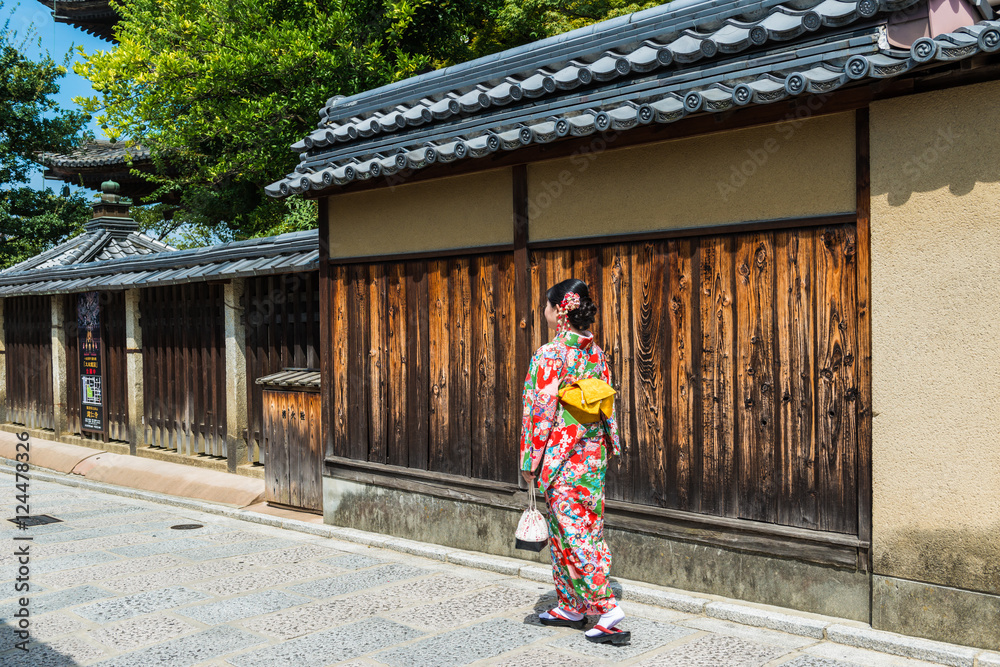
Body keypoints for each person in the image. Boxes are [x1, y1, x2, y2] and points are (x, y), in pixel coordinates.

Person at [519, 278, 630, 645]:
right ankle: (571, 604)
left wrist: (529, 461)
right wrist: (609, 445)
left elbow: (539, 413)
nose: (544, 310)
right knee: (580, 529)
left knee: (572, 531)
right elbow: (606, 405)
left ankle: (606, 608)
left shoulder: (549, 356)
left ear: (559, 312)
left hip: (562, 457)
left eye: (548, 305)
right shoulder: (595, 352)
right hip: (591, 454)